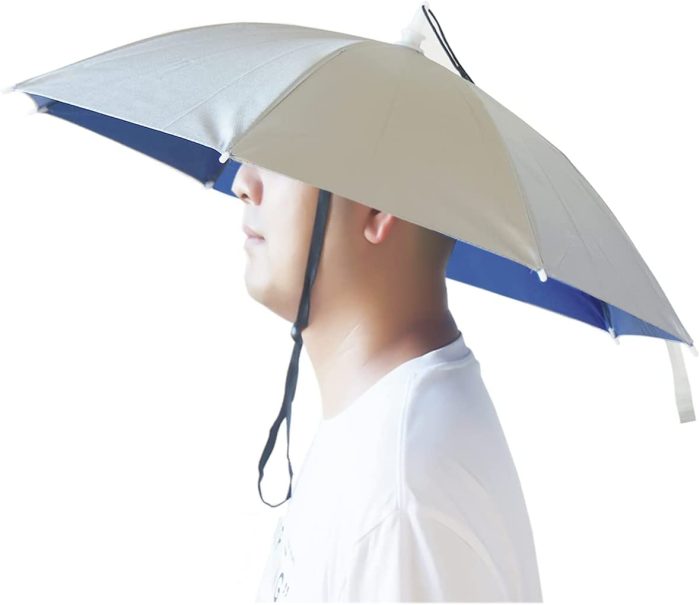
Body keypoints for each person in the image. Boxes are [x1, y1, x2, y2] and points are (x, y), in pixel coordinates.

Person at [233, 162, 543, 602]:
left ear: (378, 205)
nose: (243, 183)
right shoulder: (378, 425)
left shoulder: (401, 495)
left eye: (282, 158)